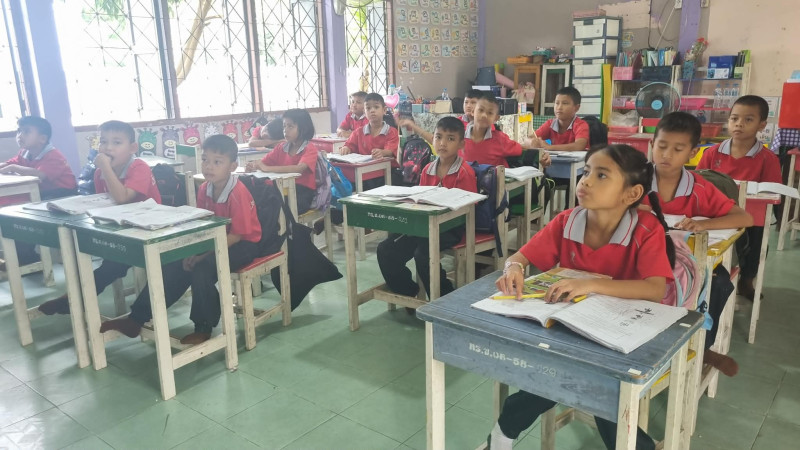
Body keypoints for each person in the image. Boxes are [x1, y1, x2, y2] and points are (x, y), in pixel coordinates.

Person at [488, 144, 675, 450]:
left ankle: (504, 429)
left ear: (631, 194)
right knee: (568, 374)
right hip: (569, 329)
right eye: (587, 171)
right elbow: (520, 257)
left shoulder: (646, 229)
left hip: (621, 335)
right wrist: (513, 268)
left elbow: (654, 288)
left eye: (601, 175)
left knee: (593, 382)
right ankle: (504, 431)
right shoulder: (567, 221)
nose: (585, 181)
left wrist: (590, 284)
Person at [100, 135, 263, 345]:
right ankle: (136, 319)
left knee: (202, 268)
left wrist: (202, 254)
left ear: (232, 166)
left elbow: (236, 235)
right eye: (205, 160)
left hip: (243, 244)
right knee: (174, 262)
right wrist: (191, 251)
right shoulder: (204, 188)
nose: (208, 166)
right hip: (214, 239)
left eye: (217, 162)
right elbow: (203, 224)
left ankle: (203, 327)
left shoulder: (237, 193)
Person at [643, 111, 753, 376]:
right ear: (651, 144)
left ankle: (701, 346)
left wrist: (703, 224)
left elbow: (744, 217)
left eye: (678, 149)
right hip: (641, 258)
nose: (667, 155)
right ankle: (649, 343)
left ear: (692, 153)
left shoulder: (699, 188)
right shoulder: (634, 180)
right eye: (662, 146)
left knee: (719, 282)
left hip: (688, 262)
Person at [38, 120, 162, 315]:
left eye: (117, 142)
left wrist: (105, 168)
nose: (108, 148)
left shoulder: (139, 167)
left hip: (150, 230)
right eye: (103, 142)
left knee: (115, 263)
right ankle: (73, 298)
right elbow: (104, 205)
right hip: (123, 229)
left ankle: (74, 298)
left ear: (132, 148)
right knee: (107, 259)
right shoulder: (99, 174)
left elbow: (121, 198)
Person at [377, 117, 476, 300]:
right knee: (386, 250)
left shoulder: (464, 172)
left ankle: (444, 299)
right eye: (438, 137)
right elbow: (421, 199)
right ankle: (408, 292)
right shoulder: (427, 169)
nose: (443, 143)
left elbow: (469, 206)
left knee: (423, 255)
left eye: (450, 139)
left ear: (461, 144)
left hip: (451, 228)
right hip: (424, 227)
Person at [696, 95, 781, 300]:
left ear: (762, 125)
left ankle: (746, 280)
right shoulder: (712, 153)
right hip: (716, 213)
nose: (739, 124)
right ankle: (707, 275)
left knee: (757, 244)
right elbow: (699, 181)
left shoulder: (768, 158)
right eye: (734, 118)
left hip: (751, 217)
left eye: (748, 119)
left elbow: (772, 191)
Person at [0, 116, 77, 269]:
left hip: (62, 195)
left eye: (26, 132)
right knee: (11, 208)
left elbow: (40, 175)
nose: (20, 135)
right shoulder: (25, 153)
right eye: (19, 131)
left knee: (24, 214)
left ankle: (25, 254)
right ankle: (19, 252)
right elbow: (9, 164)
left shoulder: (54, 155)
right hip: (41, 193)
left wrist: (13, 168)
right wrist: (7, 166)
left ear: (42, 138)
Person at [246, 109, 319, 215]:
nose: (285, 130)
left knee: (270, 203)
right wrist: (253, 166)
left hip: (301, 194)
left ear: (303, 128)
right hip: (282, 190)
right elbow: (263, 163)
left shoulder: (309, 148)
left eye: (290, 126)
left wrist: (267, 168)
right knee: (257, 192)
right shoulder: (281, 147)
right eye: (284, 126)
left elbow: (299, 168)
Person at [462, 92, 551, 168]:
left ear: (496, 118)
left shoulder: (500, 139)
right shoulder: (459, 136)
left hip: (494, 182)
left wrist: (543, 155)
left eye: (490, 113)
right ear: (473, 112)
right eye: (480, 110)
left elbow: (523, 148)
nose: (484, 115)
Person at [341, 92, 400, 160]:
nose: (372, 111)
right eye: (368, 108)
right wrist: (346, 148)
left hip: (385, 166)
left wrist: (382, 152)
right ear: (364, 112)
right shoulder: (358, 132)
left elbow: (390, 151)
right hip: (364, 166)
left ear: (384, 110)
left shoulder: (391, 132)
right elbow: (349, 145)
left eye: (376, 107)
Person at [529, 86, 590, 151]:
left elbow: (579, 146)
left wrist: (549, 147)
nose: (559, 107)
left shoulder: (581, 125)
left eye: (565, 103)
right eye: (557, 103)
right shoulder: (550, 124)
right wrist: (533, 142)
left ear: (577, 108)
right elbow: (530, 138)